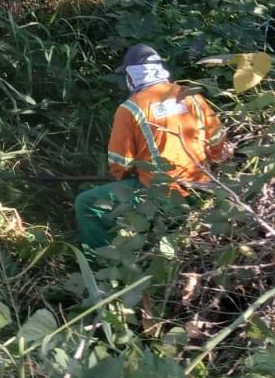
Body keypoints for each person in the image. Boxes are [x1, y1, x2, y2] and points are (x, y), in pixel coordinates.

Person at [74, 44, 228, 249]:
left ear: (132, 76)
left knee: (86, 204)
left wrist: (128, 176)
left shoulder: (130, 108)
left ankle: (101, 264)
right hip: (202, 190)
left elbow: (120, 164)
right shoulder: (192, 96)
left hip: (162, 195)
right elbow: (219, 144)